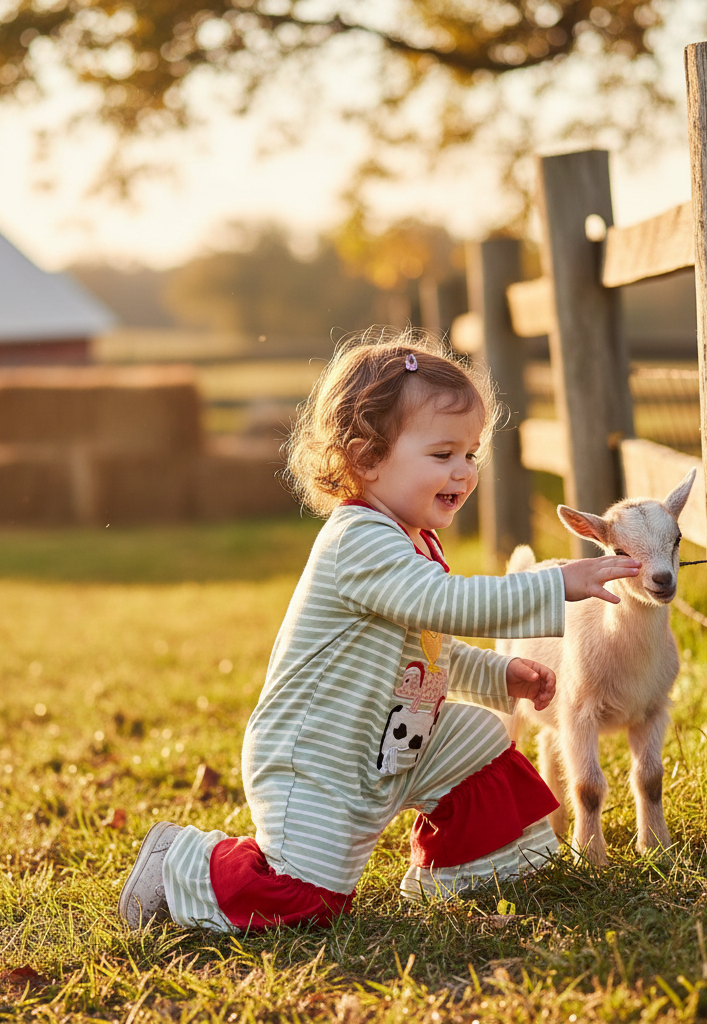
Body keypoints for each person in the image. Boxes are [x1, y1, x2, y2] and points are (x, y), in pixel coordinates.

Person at [118, 330, 641, 932]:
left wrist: (499, 675)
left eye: (470, 455)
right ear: (366, 458)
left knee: (478, 742)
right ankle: (178, 864)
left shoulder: (415, 540)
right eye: (442, 454)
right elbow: (445, 604)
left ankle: (470, 878)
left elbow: (427, 643)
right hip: (320, 758)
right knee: (306, 899)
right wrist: (556, 584)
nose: (464, 473)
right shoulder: (358, 540)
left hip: (398, 741)